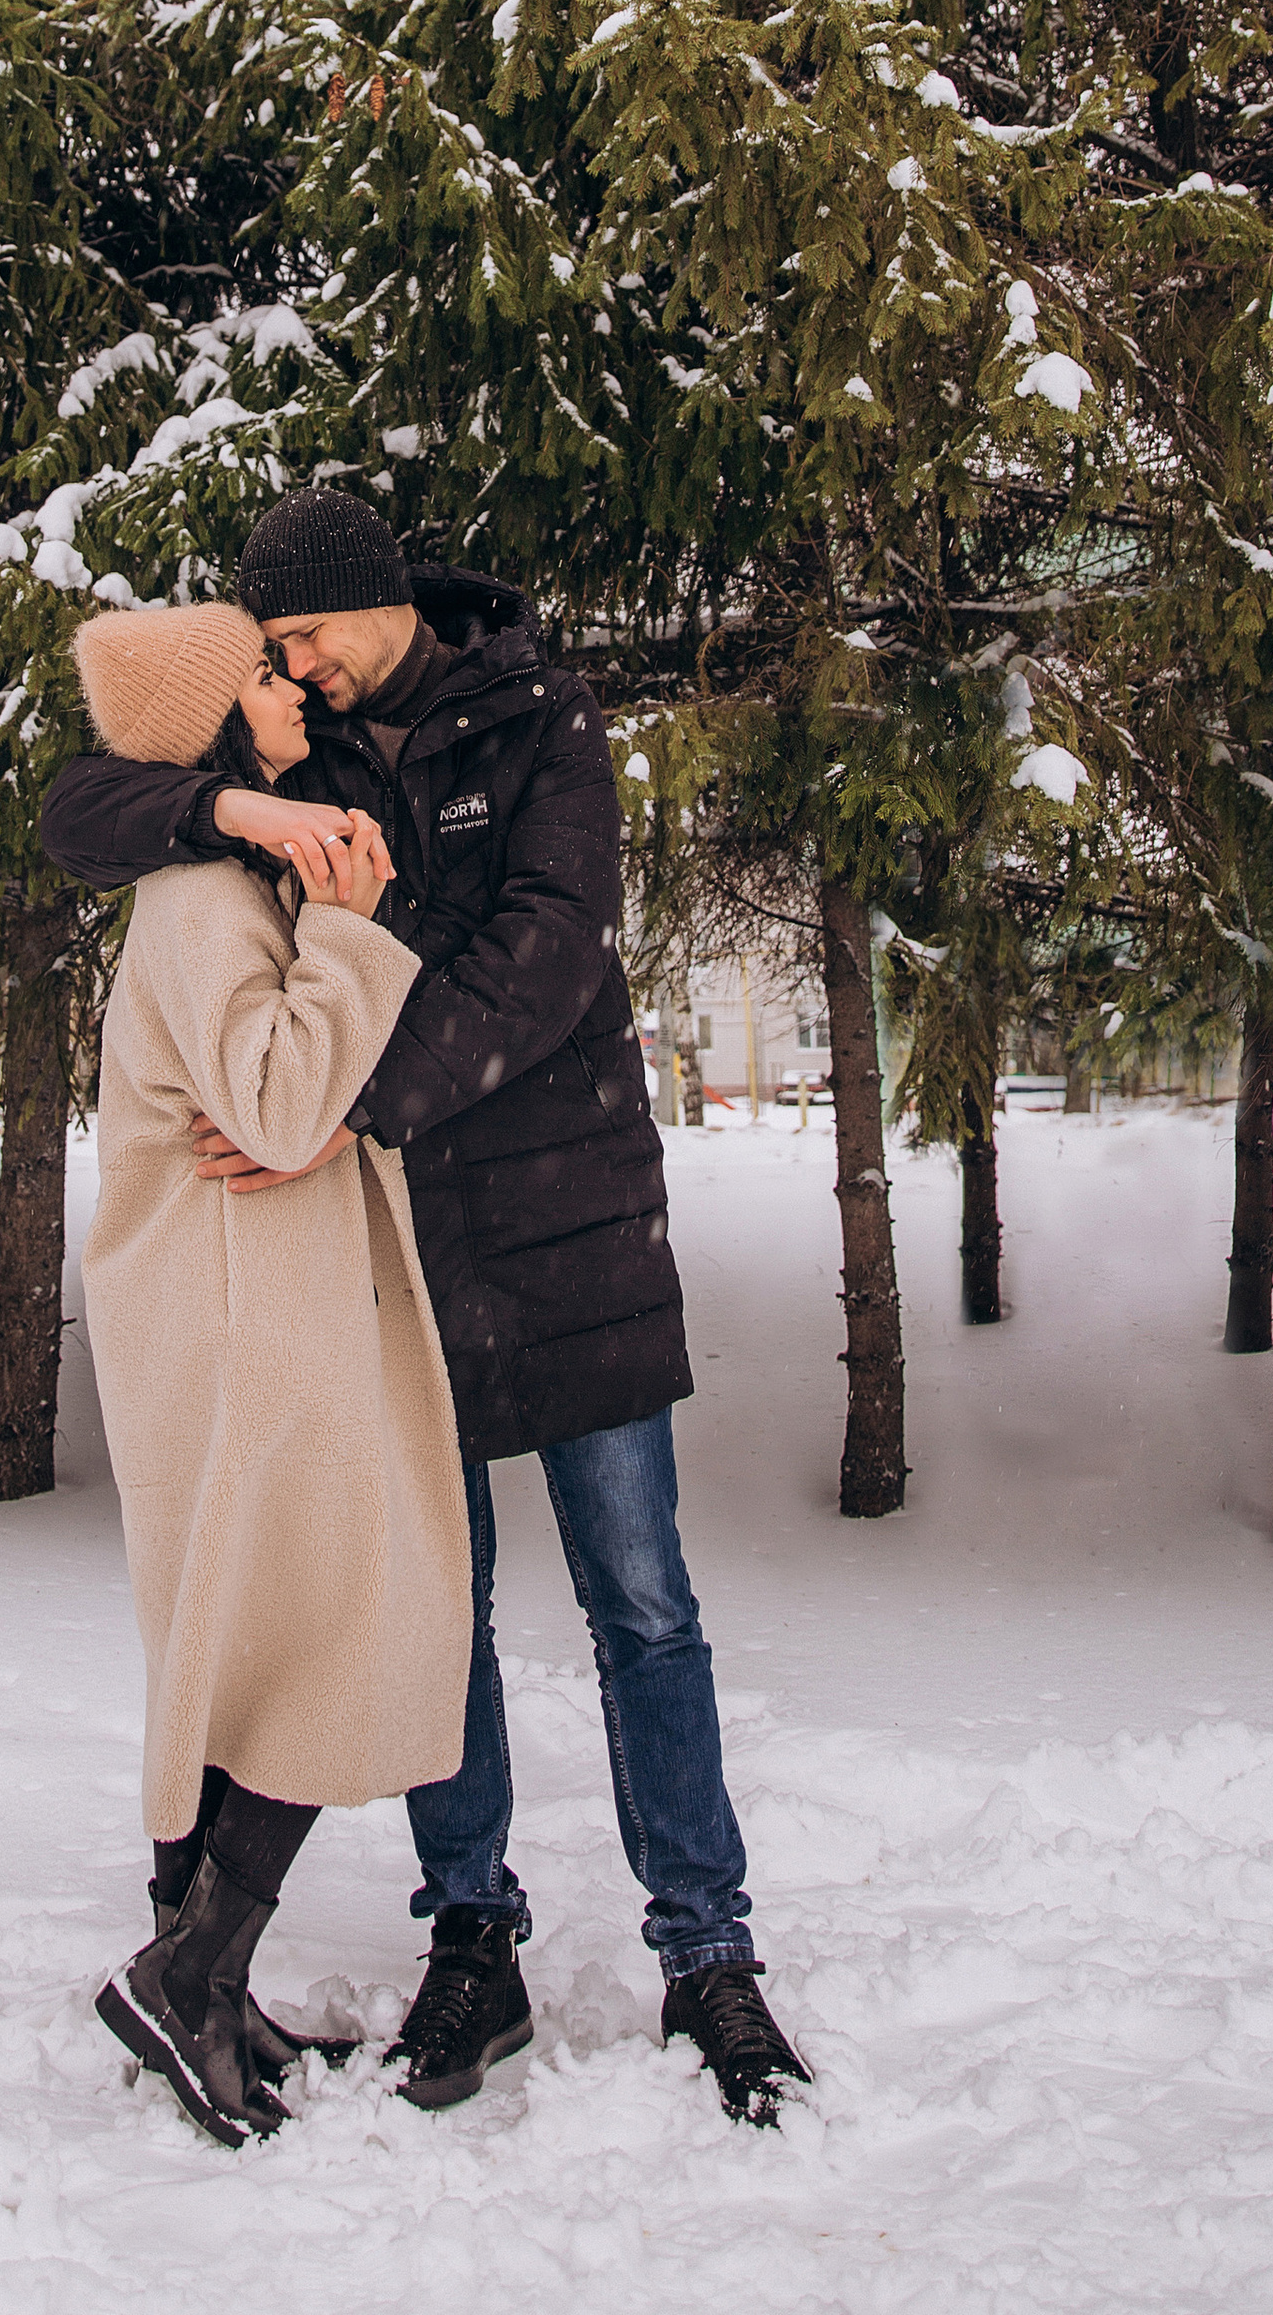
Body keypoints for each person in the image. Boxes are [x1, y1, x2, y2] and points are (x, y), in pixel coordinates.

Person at [43, 490, 815, 2129]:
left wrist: (345, 1107)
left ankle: (709, 1951)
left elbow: (551, 948)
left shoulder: (536, 710)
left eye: (309, 634)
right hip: (394, 1251)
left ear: (378, 604)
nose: (294, 667)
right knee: (427, 1604)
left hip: (564, 1212)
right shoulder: (291, 735)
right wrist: (239, 817)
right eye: (276, 647)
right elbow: (82, 807)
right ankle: (474, 1933)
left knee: (643, 1601)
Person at [68, 598, 471, 2150]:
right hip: (250, 1324)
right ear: (217, 728)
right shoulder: (200, 905)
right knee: (317, 1631)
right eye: (264, 671)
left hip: (260, 1308)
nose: (293, 685)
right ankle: (189, 1977)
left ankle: (201, 1982)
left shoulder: (227, 878)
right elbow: (287, 1108)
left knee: (255, 1637)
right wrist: (357, 936)